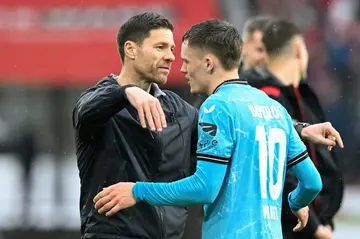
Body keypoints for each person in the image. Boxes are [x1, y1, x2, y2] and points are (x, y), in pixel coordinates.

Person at [93, 19, 323, 239]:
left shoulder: (217, 106)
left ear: (208, 63)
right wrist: (296, 202)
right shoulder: (274, 108)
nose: (181, 69)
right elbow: (313, 182)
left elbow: (205, 187)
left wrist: (137, 191)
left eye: (187, 61)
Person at [72, 12, 199, 239]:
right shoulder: (99, 104)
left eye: (171, 49)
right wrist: (125, 92)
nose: (171, 57)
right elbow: (85, 111)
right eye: (160, 47)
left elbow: (207, 173)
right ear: (131, 50)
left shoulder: (183, 112)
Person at [240, 17, 344, 239]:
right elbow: (279, 172)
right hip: (288, 226)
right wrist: (316, 228)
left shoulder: (297, 96)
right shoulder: (267, 98)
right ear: (299, 48)